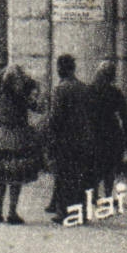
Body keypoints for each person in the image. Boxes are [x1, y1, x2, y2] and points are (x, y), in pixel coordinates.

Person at [46, 54, 97, 224]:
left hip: (65, 139)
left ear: (61, 68)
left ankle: (64, 212)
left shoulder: (60, 90)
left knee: (63, 175)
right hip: (84, 138)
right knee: (80, 176)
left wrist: (49, 135)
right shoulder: (85, 88)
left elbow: (55, 117)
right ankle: (81, 211)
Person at [0, 65, 42, 224]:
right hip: (17, 136)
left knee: (1, 176)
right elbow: (36, 107)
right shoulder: (19, 98)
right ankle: (12, 211)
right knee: (15, 176)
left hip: (2, 136)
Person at [88, 61, 127, 200]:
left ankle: (94, 194)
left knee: (95, 164)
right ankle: (107, 194)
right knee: (110, 166)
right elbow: (125, 114)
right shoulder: (115, 92)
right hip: (111, 131)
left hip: (94, 130)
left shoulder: (90, 90)